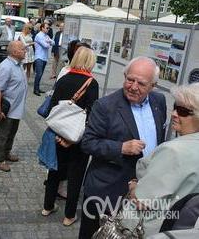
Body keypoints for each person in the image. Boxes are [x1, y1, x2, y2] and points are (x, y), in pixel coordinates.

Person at [78, 56, 167, 239]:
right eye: (130, 79)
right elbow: (88, 142)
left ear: (153, 85)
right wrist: (120, 148)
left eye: (141, 83)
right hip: (107, 190)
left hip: (144, 190)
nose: (133, 87)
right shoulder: (105, 105)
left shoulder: (159, 101)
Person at [120, 82, 199, 237]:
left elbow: (143, 201)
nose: (174, 113)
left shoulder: (174, 151)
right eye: (176, 106)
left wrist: (133, 186)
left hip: (147, 229)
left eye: (182, 111)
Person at [42, 47, 99, 226]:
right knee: (75, 176)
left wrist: (60, 134)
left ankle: (47, 206)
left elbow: (52, 108)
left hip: (58, 134)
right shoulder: (92, 83)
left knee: (54, 171)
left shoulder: (63, 78)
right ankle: (69, 216)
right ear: (90, 62)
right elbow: (92, 114)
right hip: (78, 137)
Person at [0, 41, 27, 172]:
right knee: (3, 134)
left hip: (16, 109)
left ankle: (7, 153)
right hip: (7, 109)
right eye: (22, 49)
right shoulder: (5, 67)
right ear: (14, 52)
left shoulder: (18, 65)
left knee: (11, 133)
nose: (25, 50)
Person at [33, 23, 54, 96]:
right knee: (38, 74)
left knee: (41, 74)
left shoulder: (46, 36)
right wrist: (49, 42)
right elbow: (45, 46)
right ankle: (35, 89)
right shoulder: (39, 35)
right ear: (42, 28)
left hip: (44, 57)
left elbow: (53, 43)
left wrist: (49, 41)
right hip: (39, 57)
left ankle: (37, 88)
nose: (48, 29)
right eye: (47, 28)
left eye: (48, 28)